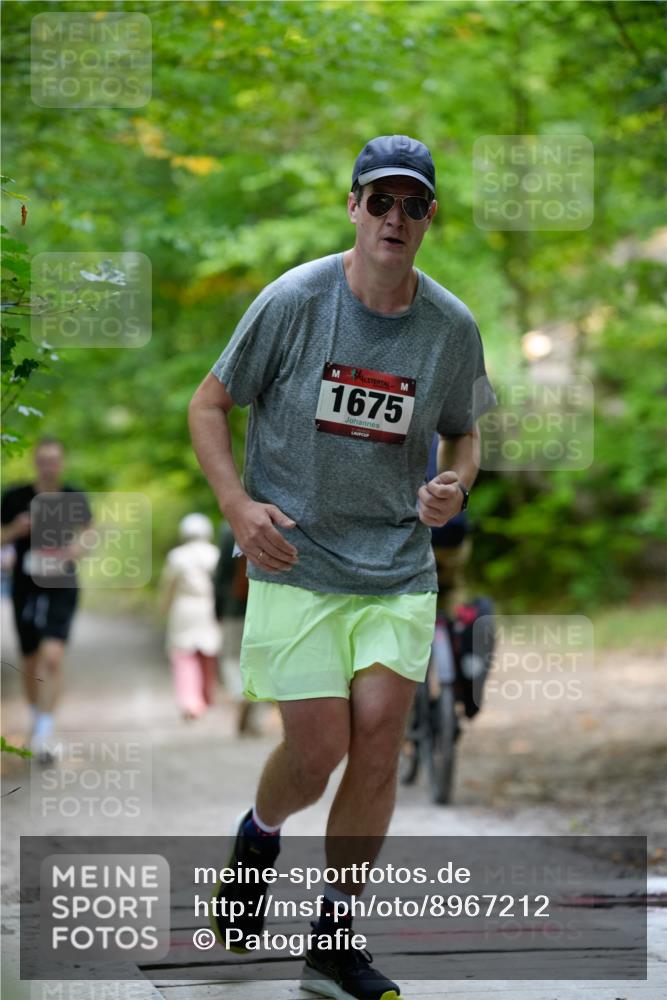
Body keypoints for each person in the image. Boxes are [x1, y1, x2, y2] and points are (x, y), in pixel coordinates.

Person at [188, 134, 497, 1000]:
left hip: (396, 563)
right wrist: (237, 508)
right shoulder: (295, 300)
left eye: (413, 204)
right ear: (354, 206)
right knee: (318, 749)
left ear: (428, 217)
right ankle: (259, 834)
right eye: (380, 200)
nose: (395, 217)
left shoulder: (450, 327)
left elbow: (465, 432)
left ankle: (332, 941)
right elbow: (209, 404)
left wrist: (454, 484)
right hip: (295, 556)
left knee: (379, 741)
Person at [0, 437, 92, 764]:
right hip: (26, 586)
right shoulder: (15, 497)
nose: (48, 466)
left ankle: (44, 732)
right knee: (29, 660)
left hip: (62, 584)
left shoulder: (74, 497)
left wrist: (77, 548)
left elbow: (89, 533)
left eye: (54, 460)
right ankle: (37, 719)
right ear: (35, 462)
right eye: (43, 460)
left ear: (61, 463)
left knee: (52, 657)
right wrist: (15, 530)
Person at [159, 513, 221, 721]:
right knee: (208, 653)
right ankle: (206, 696)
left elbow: (168, 586)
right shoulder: (215, 554)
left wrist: (163, 608)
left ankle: (189, 701)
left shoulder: (177, 556)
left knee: (183, 655)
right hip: (209, 607)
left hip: (183, 608)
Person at [213, 522, 262, 736]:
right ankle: (255, 718)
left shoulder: (230, 527)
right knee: (260, 661)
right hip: (264, 607)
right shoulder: (279, 518)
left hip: (234, 606)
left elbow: (222, 572)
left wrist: (218, 608)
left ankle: (239, 694)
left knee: (231, 657)